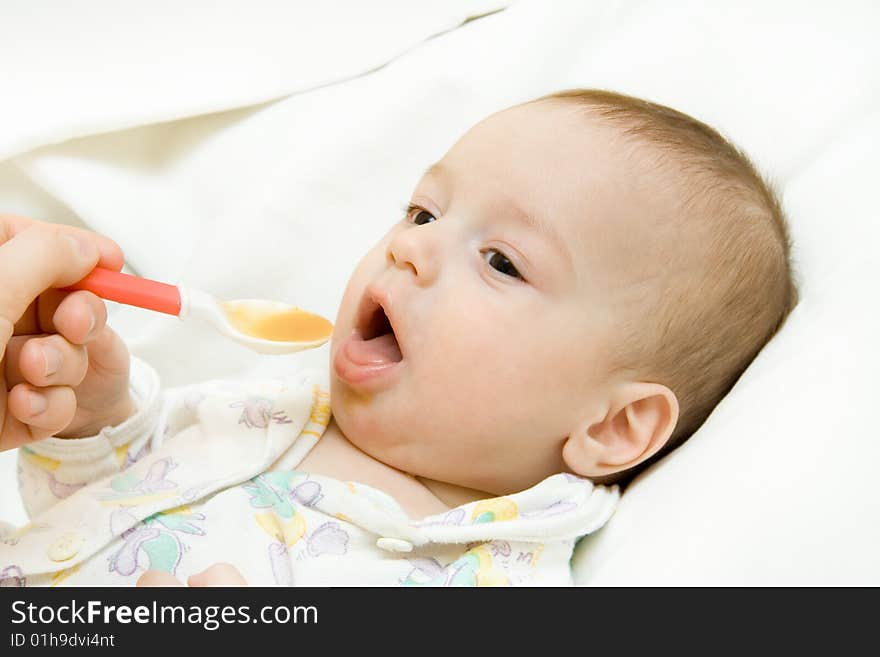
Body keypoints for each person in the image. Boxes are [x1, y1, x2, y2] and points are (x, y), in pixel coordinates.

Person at [0, 89, 797, 587]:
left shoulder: (484, 578)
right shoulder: (270, 410)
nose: (409, 246)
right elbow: (101, 506)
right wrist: (95, 422)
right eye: (423, 212)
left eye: (500, 261)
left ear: (612, 425)